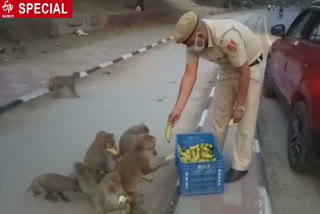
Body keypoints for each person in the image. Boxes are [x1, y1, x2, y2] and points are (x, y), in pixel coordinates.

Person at [168, 11, 264, 182]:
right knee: (219, 115)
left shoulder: (226, 36)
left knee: (245, 120)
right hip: (227, 68)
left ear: (199, 34)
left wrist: (240, 106)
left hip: (250, 65)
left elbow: (244, 70)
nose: (189, 48)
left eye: (189, 43)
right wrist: (178, 108)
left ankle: (240, 165)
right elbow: (190, 74)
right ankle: (213, 157)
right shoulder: (193, 44)